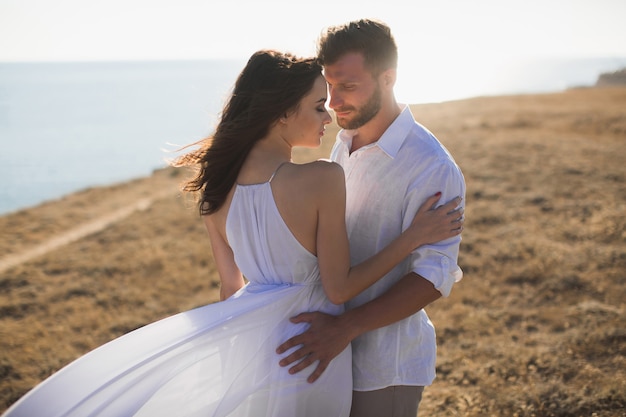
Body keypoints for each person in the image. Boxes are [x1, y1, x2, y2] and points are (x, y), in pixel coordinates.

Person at [2, 50, 462, 417]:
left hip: (259, 351)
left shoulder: (217, 185)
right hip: (313, 349)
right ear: (283, 112)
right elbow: (338, 286)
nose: (329, 115)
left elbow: (230, 288)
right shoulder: (321, 177)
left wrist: (236, 363)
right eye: (318, 105)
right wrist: (410, 239)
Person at [276, 19, 467, 417]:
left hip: (385, 368)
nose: (333, 101)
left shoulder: (431, 166)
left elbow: (432, 278)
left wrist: (345, 329)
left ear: (388, 78)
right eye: (328, 86)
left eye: (347, 86)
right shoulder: (344, 142)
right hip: (329, 356)